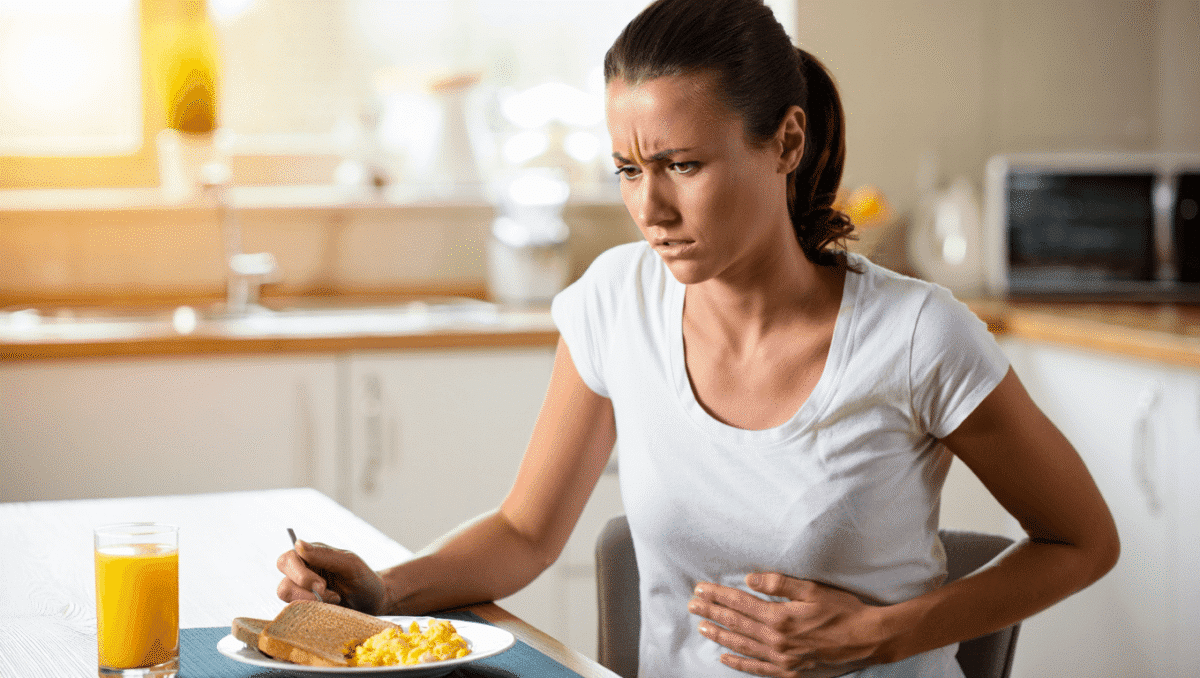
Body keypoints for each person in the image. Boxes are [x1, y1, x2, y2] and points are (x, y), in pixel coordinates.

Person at [276, 1, 1120, 676]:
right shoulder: (615, 300)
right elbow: (526, 533)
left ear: (786, 141)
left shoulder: (916, 335)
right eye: (629, 170)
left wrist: (883, 635)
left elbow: (1083, 541)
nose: (650, 208)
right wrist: (383, 588)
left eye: (683, 165)